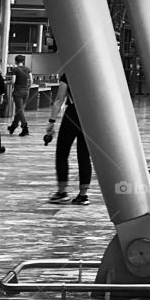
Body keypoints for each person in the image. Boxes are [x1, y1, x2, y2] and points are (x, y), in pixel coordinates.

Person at [45, 73, 91, 205]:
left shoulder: (69, 73)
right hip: (90, 115)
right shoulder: (93, 71)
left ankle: (62, 192)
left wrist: (52, 121)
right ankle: (83, 195)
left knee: (62, 152)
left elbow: (59, 99)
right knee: (84, 155)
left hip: (72, 115)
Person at [7, 54, 32, 136]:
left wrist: (7, 82)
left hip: (18, 92)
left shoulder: (15, 69)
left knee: (20, 110)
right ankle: (13, 126)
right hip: (26, 92)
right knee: (19, 109)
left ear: (16, 61)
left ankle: (25, 128)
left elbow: (13, 81)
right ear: (23, 61)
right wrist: (28, 87)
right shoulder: (27, 69)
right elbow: (31, 80)